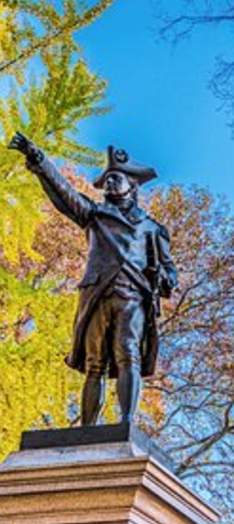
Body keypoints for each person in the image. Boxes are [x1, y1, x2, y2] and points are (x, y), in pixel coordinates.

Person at [8, 133, 178, 425]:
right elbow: (64, 194)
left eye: (116, 178)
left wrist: (164, 277)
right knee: (94, 363)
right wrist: (38, 159)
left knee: (128, 354)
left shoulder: (153, 228)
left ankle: (126, 422)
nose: (109, 183)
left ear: (132, 185)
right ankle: (87, 428)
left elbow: (169, 271)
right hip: (97, 294)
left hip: (133, 297)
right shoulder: (94, 214)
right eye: (107, 179)